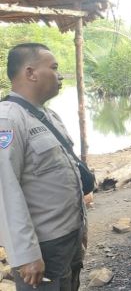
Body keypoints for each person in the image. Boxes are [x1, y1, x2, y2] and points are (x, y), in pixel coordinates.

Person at [0, 43, 86, 291]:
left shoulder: (48, 116)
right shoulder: (8, 119)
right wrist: (25, 254)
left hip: (68, 236)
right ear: (30, 73)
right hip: (43, 244)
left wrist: (82, 226)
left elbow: (66, 171)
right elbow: (5, 189)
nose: (59, 75)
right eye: (54, 67)